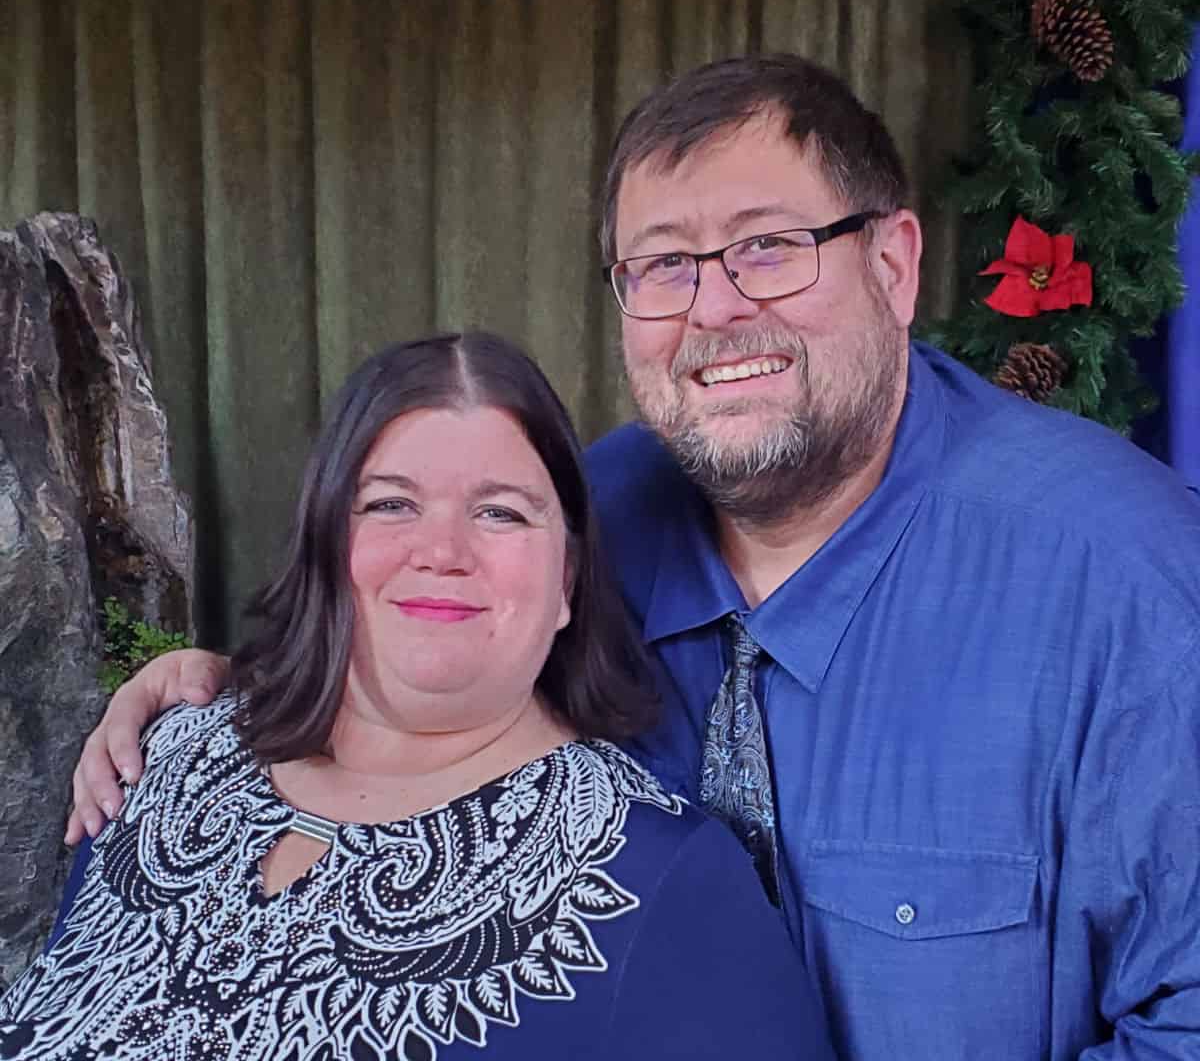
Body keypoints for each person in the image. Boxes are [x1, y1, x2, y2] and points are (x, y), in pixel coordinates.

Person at [69, 55, 1200, 1060]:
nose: (713, 309)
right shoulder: (586, 512)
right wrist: (221, 695)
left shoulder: (1129, 587)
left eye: (768, 248)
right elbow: (411, 669)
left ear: (894, 266)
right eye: (661, 266)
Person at [1, 332, 833, 1061]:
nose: (441, 551)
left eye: (501, 514)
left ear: (569, 581)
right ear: (326, 544)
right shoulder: (164, 762)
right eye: (391, 504)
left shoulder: (667, 882)